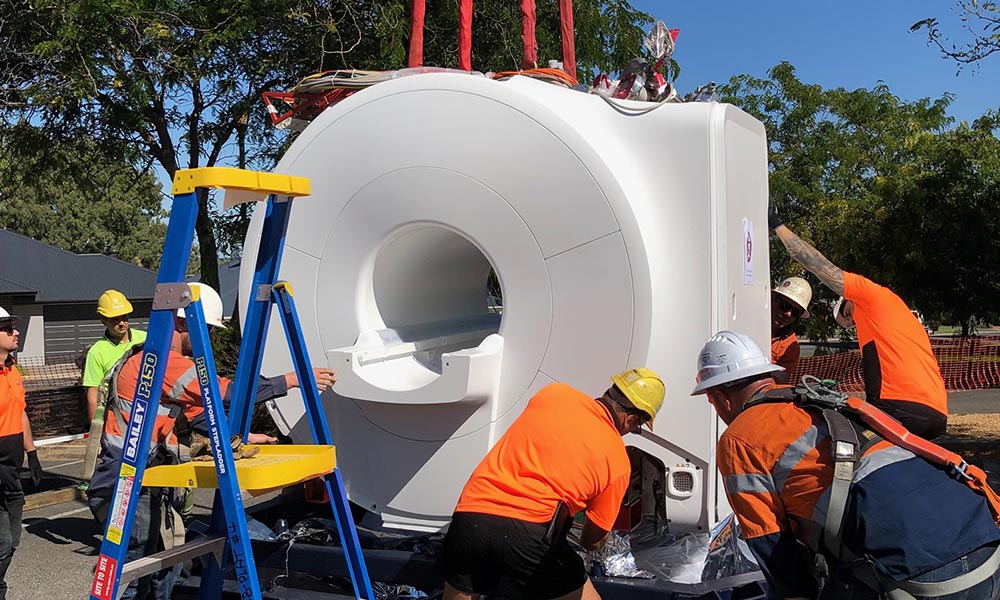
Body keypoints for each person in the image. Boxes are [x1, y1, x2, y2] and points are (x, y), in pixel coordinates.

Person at [691, 330, 1000, 600]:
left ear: (721, 396)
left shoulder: (738, 438)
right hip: (984, 546)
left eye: (711, 400)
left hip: (918, 576)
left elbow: (772, 546)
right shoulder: (826, 401)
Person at [87, 284, 337, 600]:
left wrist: (244, 436)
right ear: (181, 322)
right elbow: (227, 394)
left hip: (143, 478)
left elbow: (200, 416)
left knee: (165, 567)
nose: (209, 338)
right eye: (204, 329)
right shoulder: (159, 360)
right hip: (124, 481)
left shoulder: (160, 363)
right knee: (135, 575)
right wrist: (292, 380)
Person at [439, 368, 665, 600]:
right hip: (528, 533)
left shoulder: (553, 393)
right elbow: (592, 540)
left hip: (469, 517)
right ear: (632, 418)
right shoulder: (617, 461)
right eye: (636, 428)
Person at [769, 202, 947, 438]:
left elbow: (818, 266)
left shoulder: (870, 295)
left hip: (899, 405)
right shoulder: (899, 317)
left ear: (847, 302)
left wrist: (777, 226)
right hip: (937, 412)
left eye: (847, 316)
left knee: (831, 444)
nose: (852, 323)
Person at [81, 290, 148, 487]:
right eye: (114, 319)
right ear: (103, 320)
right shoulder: (97, 352)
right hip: (118, 421)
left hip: (149, 415)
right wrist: (98, 434)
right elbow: (93, 395)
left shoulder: (145, 339)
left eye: (124, 317)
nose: (121, 323)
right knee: (123, 475)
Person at [0, 307, 41, 600]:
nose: (16, 332)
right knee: (2, 542)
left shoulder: (13, 370)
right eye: (7, 328)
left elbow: (21, 413)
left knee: (13, 538)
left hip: (12, 471)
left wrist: (33, 453)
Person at [770, 276, 812, 383]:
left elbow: (774, 383)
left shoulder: (790, 346)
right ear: (773, 298)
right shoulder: (749, 321)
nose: (788, 314)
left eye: (795, 312)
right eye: (784, 305)